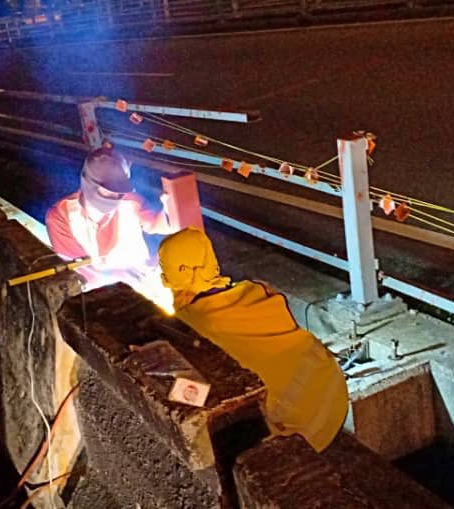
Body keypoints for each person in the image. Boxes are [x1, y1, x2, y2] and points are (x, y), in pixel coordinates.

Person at [157, 228, 349, 452]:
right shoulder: (256, 290)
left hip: (303, 426)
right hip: (332, 388)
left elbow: (191, 393)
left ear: (179, 272)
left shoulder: (190, 327)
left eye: (163, 268)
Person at [46, 147, 174, 289]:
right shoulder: (60, 217)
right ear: (89, 184)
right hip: (99, 294)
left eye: (120, 191)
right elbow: (76, 271)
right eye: (109, 191)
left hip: (143, 282)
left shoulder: (131, 201)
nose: (116, 197)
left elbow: (157, 224)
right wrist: (118, 276)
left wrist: (170, 209)